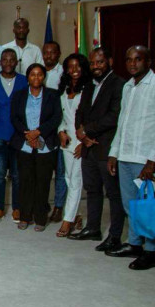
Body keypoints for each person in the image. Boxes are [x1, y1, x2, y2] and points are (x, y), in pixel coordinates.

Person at [106, 46, 155, 270]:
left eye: (138, 59)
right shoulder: (128, 87)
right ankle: (135, 244)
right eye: (128, 60)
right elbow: (122, 124)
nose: (132, 64)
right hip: (125, 155)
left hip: (146, 159)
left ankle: (151, 251)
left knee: (148, 206)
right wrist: (114, 153)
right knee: (131, 205)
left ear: (148, 61)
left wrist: (152, 161)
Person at [68, 47, 126, 251]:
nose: (96, 66)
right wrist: (80, 134)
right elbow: (80, 112)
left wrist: (88, 132)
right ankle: (93, 228)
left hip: (106, 148)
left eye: (100, 62)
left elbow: (114, 116)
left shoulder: (119, 84)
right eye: (92, 63)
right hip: (88, 148)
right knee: (92, 190)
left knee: (113, 193)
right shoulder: (89, 86)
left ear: (109, 61)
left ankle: (115, 236)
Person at [10, 64, 61, 231]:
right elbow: (14, 118)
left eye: (40, 75)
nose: (36, 78)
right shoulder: (19, 95)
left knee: (42, 182)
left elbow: (56, 118)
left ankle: (40, 218)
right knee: (25, 181)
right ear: (28, 77)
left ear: (44, 77)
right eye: (33, 75)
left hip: (45, 145)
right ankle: (25, 217)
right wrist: (28, 134)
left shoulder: (52, 95)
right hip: (24, 144)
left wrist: (38, 132)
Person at [0, 49, 27, 223]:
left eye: (12, 60)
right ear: (0, 62)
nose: (8, 63)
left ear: (16, 62)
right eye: (5, 60)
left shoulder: (25, 81)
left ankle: (17, 208)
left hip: (18, 135)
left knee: (17, 175)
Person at [55, 53, 90, 237]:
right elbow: (63, 117)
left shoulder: (89, 89)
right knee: (68, 178)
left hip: (80, 141)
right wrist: (60, 131)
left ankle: (67, 221)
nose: (74, 70)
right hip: (66, 140)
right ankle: (76, 216)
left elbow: (91, 118)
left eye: (77, 66)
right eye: (70, 66)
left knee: (76, 181)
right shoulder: (64, 89)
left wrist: (84, 141)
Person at [42, 41, 67, 223]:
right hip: (43, 130)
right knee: (43, 172)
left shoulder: (64, 74)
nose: (48, 56)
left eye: (52, 53)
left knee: (60, 171)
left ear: (58, 54)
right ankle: (43, 205)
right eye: (46, 52)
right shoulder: (38, 73)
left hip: (60, 127)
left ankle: (59, 207)